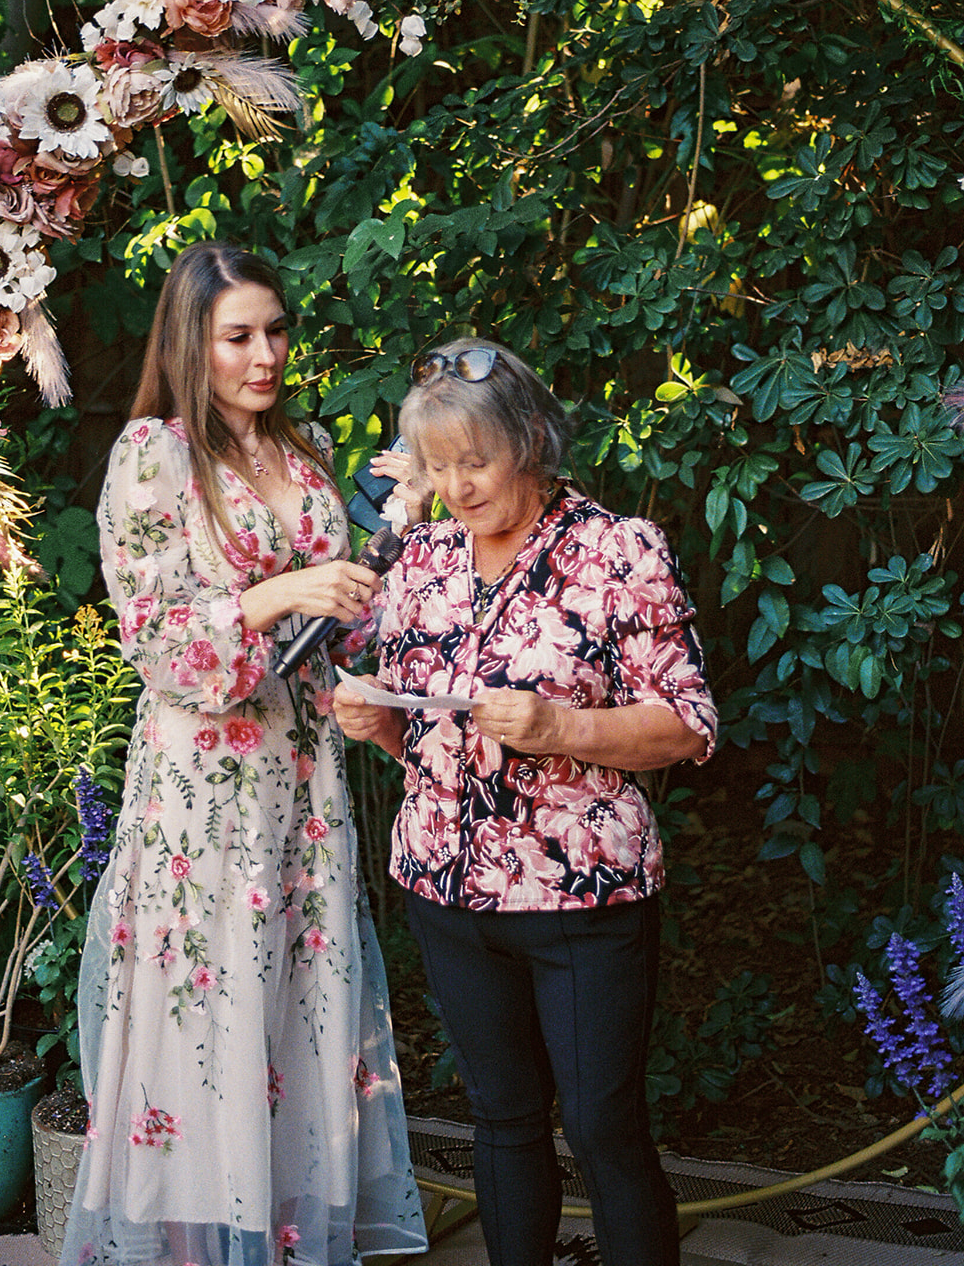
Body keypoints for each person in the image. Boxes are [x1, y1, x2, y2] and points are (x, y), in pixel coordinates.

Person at [59, 242, 427, 1266]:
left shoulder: (302, 446)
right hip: (204, 782)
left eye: (275, 331)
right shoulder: (154, 455)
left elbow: (342, 617)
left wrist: (396, 531)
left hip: (301, 773)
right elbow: (156, 641)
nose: (264, 355)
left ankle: (287, 1230)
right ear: (191, 343)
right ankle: (196, 1244)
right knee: (208, 993)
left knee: (298, 991)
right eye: (237, 337)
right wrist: (277, 595)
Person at [334, 339, 717, 1266]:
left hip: (582, 897)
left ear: (533, 440)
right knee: (498, 1118)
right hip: (444, 887)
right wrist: (376, 721)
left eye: (476, 461)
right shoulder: (423, 558)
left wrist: (561, 726)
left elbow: (687, 725)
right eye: (438, 467)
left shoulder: (616, 550)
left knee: (601, 1126)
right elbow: (425, 733)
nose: (456, 487)